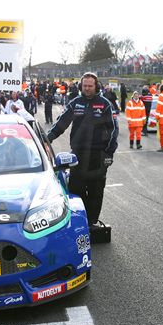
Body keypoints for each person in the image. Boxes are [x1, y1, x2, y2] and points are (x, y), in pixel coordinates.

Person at [47, 72, 118, 240]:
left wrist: (109, 153)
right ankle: (80, 219)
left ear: (97, 87)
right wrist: (46, 140)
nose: (87, 88)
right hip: (78, 155)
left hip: (98, 155)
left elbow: (114, 130)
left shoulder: (105, 104)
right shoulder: (75, 103)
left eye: (90, 86)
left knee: (96, 190)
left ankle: (91, 222)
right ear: (81, 87)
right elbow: (61, 124)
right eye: (84, 86)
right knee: (76, 188)